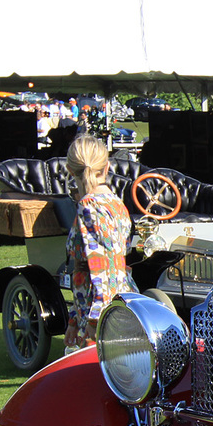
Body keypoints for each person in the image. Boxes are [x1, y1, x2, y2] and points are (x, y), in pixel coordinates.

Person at [63, 135, 134, 352]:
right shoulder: (117, 203)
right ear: (107, 167)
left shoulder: (88, 207)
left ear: (70, 170)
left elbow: (101, 268)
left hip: (97, 306)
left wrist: (93, 320)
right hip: (119, 298)